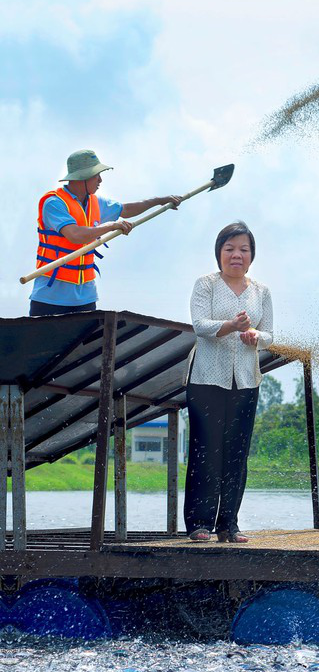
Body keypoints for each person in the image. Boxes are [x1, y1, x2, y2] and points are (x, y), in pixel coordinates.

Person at [184, 221, 273, 543]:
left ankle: (229, 525)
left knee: (236, 453)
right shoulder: (206, 284)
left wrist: (255, 336)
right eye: (230, 249)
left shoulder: (261, 291)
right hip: (207, 379)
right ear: (219, 252)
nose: (237, 255)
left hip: (246, 380)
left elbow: (269, 334)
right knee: (206, 450)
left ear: (252, 255)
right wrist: (230, 325)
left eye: (244, 250)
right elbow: (199, 325)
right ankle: (199, 524)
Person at [30, 149, 181, 316]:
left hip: (85, 297)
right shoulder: (53, 203)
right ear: (83, 177)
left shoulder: (96, 202)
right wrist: (110, 226)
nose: (100, 180)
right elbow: (75, 235)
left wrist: (159, 201)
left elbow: (127, 209)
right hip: (51, 297)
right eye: (96, 175)